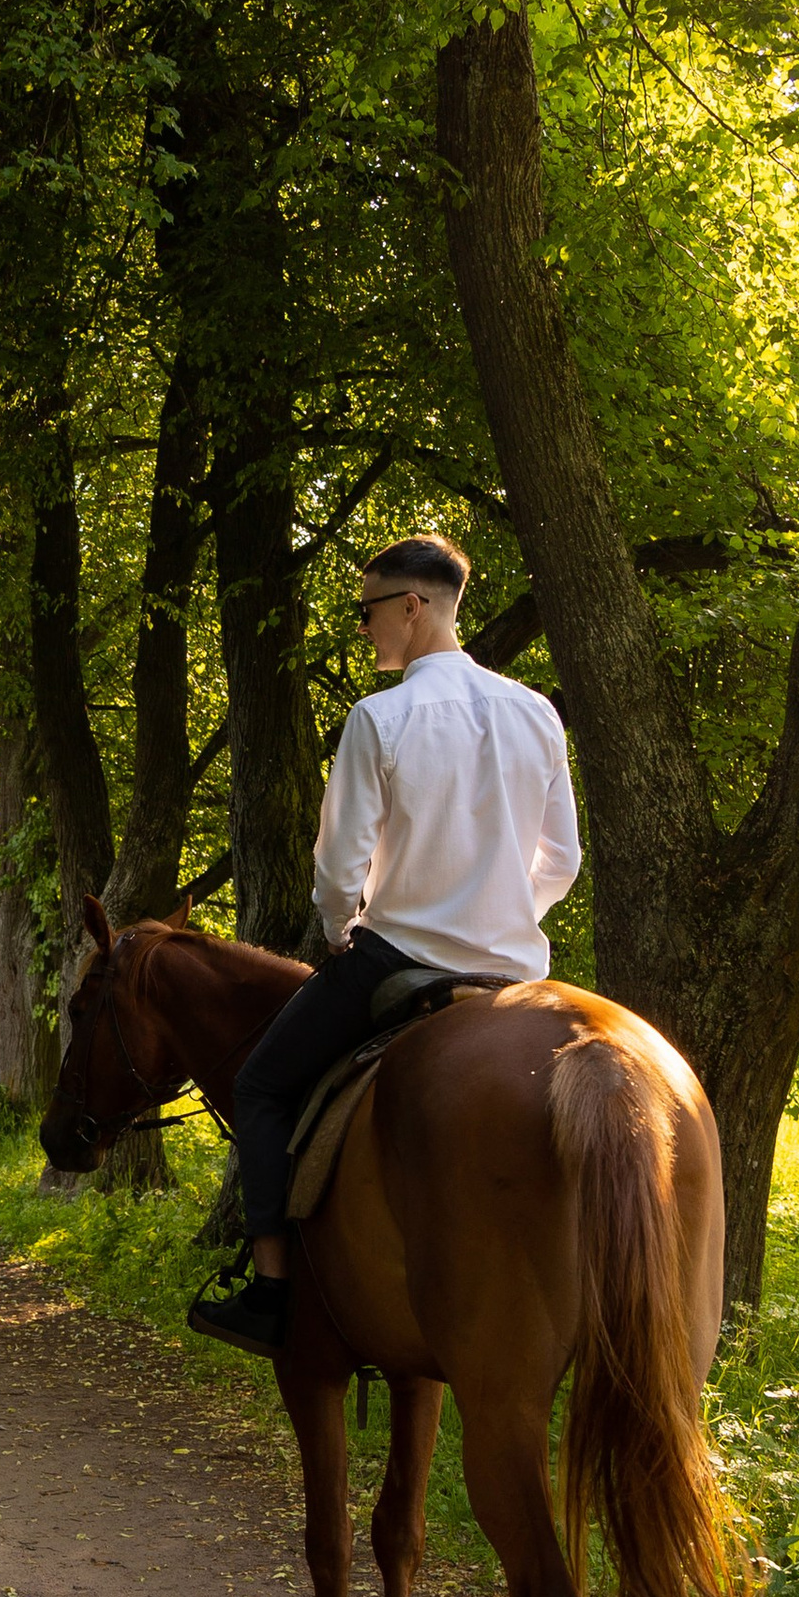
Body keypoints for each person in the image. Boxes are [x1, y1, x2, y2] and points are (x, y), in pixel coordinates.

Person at [188, 534, 582, 1359]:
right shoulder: (535, 713)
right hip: (514, 974)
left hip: (396, 960)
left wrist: (340, 929)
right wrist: (506, 910)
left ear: (412, 606)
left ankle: (269, 1293)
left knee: (260, 1084)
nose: (363, 627)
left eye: (367, 610)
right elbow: (562, 861)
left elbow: (340, 866)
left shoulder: (380, 718)